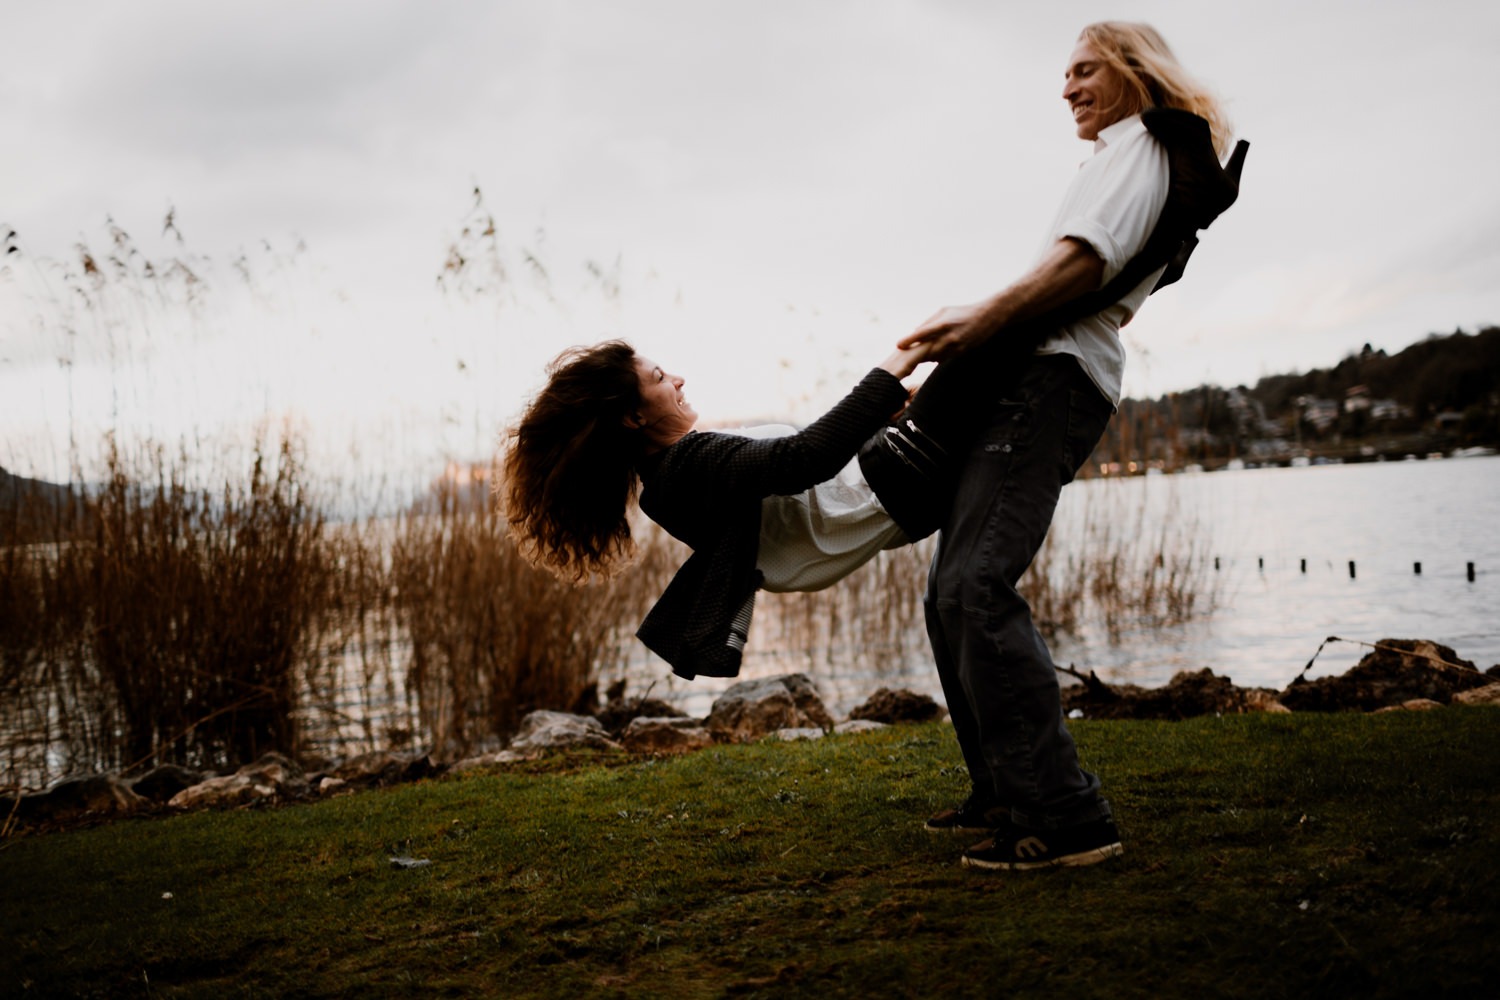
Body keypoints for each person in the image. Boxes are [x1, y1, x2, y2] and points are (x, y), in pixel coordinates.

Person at [891, 21, 1237, 871]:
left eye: (1084, 70)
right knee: (949, 591)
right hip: (1036, 375)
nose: (1067, 87)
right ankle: (1004, 791)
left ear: (1131, 70)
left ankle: (1066, 817)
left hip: (1052, 380)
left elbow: (1084, 266)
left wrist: (978, 319)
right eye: (1066, 73)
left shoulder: (1143, 146)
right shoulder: (1127, 154)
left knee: (976, 582)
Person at [502, 339, 931, 680]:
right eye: (660, 377)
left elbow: (796, 493)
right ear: (634, 416)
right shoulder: (692, 462)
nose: (679, 379)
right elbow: (804, 458)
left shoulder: (669, 485)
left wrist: (880, 419)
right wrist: (896, 365)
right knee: (981, 345)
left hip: (893, 487)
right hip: (900, 475)